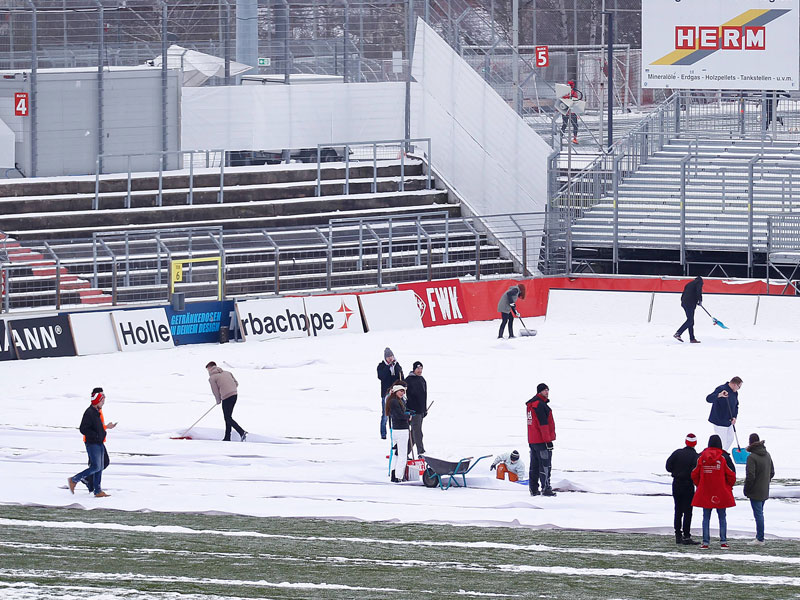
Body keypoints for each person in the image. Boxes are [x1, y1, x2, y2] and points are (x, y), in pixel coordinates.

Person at [68, 388, 116, 498]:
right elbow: (83, 429)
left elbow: (97, 427)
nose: (103, 403)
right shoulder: (89, 412)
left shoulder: (96, 412)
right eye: (102, 401)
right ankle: (74, 480)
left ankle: (97, 490)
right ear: (97, 400)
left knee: (100, 466)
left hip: (99, 442)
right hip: (92, 443)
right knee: (95, 467)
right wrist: (96, 436)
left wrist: (104, 430)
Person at [691, 434, 736, 549]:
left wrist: (699, 485)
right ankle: (723, 542)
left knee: (706, 517)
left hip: (706, 491)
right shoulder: (722, 458)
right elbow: (731, 475)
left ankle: (705, 542)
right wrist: (728, 486)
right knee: (722, 517)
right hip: (721, 492)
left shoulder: (701, 458)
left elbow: (694, 474)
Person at [665, 433, 700, 545]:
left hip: (676, 483)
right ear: (695, 443)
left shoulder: (677, 453)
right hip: (688, 484)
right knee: (688, 511)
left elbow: (668, 467)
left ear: (686, 442)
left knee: (678, 510)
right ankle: (686, 535)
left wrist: (676, 472)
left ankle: (678, 535)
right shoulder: (696, 457)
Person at [743, 433, 775, 545]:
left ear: (750, 442)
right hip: (764, 489)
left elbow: (750, 476)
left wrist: (746, 489)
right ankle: (760, 537)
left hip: (755, 491)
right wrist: (765, 482)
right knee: (760, 513)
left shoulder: (751, 457)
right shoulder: (767, 455)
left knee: (758, 515)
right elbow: (772, 472)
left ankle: (760, 538)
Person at [526, 383, 556, 497]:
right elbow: (543, 424)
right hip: (541, 441)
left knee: (534, 465)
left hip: (533, 440)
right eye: (544, 390)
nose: (547, 392)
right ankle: (546, 488)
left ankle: (533, 489)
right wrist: (548, 440)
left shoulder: (531, 405)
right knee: (545, 465)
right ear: (539, 392)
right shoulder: (539, 404)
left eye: (548, 390)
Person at [206, 361, 247, 442]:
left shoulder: (212, 378)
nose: (208, 371)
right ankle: (227, 437)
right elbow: (236, 383)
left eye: (208, 369)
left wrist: (218, 400)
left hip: (226, 397)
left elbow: (215, 391)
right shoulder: (228, 372)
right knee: (228, 417)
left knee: (227, 417)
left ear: (210, 368)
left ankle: (242, 432)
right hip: (234, 395)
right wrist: (231, 389)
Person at [705, 377, 742, 452]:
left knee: (730, 438)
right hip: (719, 420)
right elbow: (708, 399)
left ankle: (722, 454)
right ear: (735, 385)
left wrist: (734, 417)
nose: (739, 389)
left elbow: (736, 406)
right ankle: (719, 456)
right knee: (722, 441)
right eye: (739, 387)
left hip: (729, 421)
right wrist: (720, 395)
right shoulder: (721, 389)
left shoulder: (735, 393)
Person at [385, 382, 410, 483]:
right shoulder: (395, 402)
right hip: (401, 431)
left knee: (396, 454)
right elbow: (399, 416)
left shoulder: (396, 401)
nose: (402, 393)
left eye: (403, 391)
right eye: (400, 391)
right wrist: (408, 417)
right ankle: (399, 476)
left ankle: (394, 475)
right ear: (395, 391)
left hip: (396, 431)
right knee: (402, 455)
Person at [377, 348, 404, 440]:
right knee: (385, 414)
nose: (390, 358)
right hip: (386, 393)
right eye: (388, 357)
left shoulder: (397, 365)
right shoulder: (381, 366)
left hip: (395, 393)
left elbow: (401, 377)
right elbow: (381, 376)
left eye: (391, 356)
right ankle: (383, 434)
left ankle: (395, 431)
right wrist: (388, 366)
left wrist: (395, 367)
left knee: (396, 413)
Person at [405, 360, 427, 455]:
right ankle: (421, 452)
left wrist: (424, 409)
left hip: (421, 411)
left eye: (421, 368)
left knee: (414, 434)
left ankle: (404, 452)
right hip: (413, 411)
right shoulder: (408, 380)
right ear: (414, 369)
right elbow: (402, 393)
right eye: (418, 368)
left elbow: (424, 395)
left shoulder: (422, 379)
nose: (420, 370)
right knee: (417, 432)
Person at [674, 276, 703, 343]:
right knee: (690, 320)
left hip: (684, 303)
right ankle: (678, 333)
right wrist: (700, 300)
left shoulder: (689, 283)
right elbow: (698, 291)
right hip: (690, 303)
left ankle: (692, 338)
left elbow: (683, 294)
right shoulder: (699, 282)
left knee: (690, 320)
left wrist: (683, 301)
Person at [560, 80, 582, 144]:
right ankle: (575, 138)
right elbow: (576, 102)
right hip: (572, 112)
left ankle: (560, 136)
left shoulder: (564, 92)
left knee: (564, 124)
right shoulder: (574, 93)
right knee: (575, 125)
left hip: (565, 111)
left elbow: (561, 100)